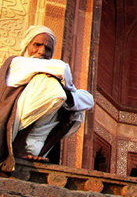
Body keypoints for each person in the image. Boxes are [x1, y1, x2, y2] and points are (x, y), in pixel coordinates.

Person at [0, 25, 94, 172]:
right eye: (37, 45)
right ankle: (18, 144)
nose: (42, 51)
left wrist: (67, 94)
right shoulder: (17, 63)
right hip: (10, 128)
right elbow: (62, 69)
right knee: (47, 82)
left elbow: (89, 100)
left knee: (77, 110)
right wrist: (62, 84)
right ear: (27, 44)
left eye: (48, 48)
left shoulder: (48, 69)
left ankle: (36, 151)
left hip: (36, 140)